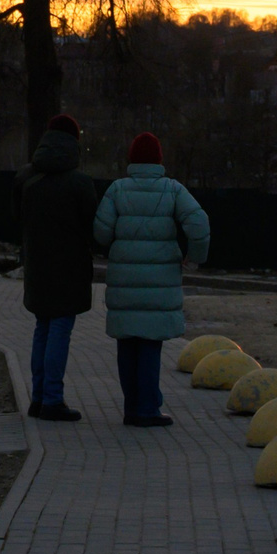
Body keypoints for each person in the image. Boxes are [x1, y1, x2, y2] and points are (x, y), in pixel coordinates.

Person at [92, 132, 210, 428]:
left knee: (127, 341)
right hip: (160, 279)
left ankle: (132, 406)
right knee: (148, 343)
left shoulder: (117, 190)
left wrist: (115, 243)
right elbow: (199, 223)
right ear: (159, 160)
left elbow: (101, 232)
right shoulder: (172, 190)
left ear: (131, 159)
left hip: (124, 279)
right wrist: (193, 258)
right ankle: (147, 408)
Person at [15, 114, 102, 421]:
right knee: (60, 331)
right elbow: (94, 228)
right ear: (74, 142)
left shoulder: (26, 178)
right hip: (69, 269)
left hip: (37, 267)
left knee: (42, 328)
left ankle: (39, 397)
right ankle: (53, 398)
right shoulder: (80, 183)